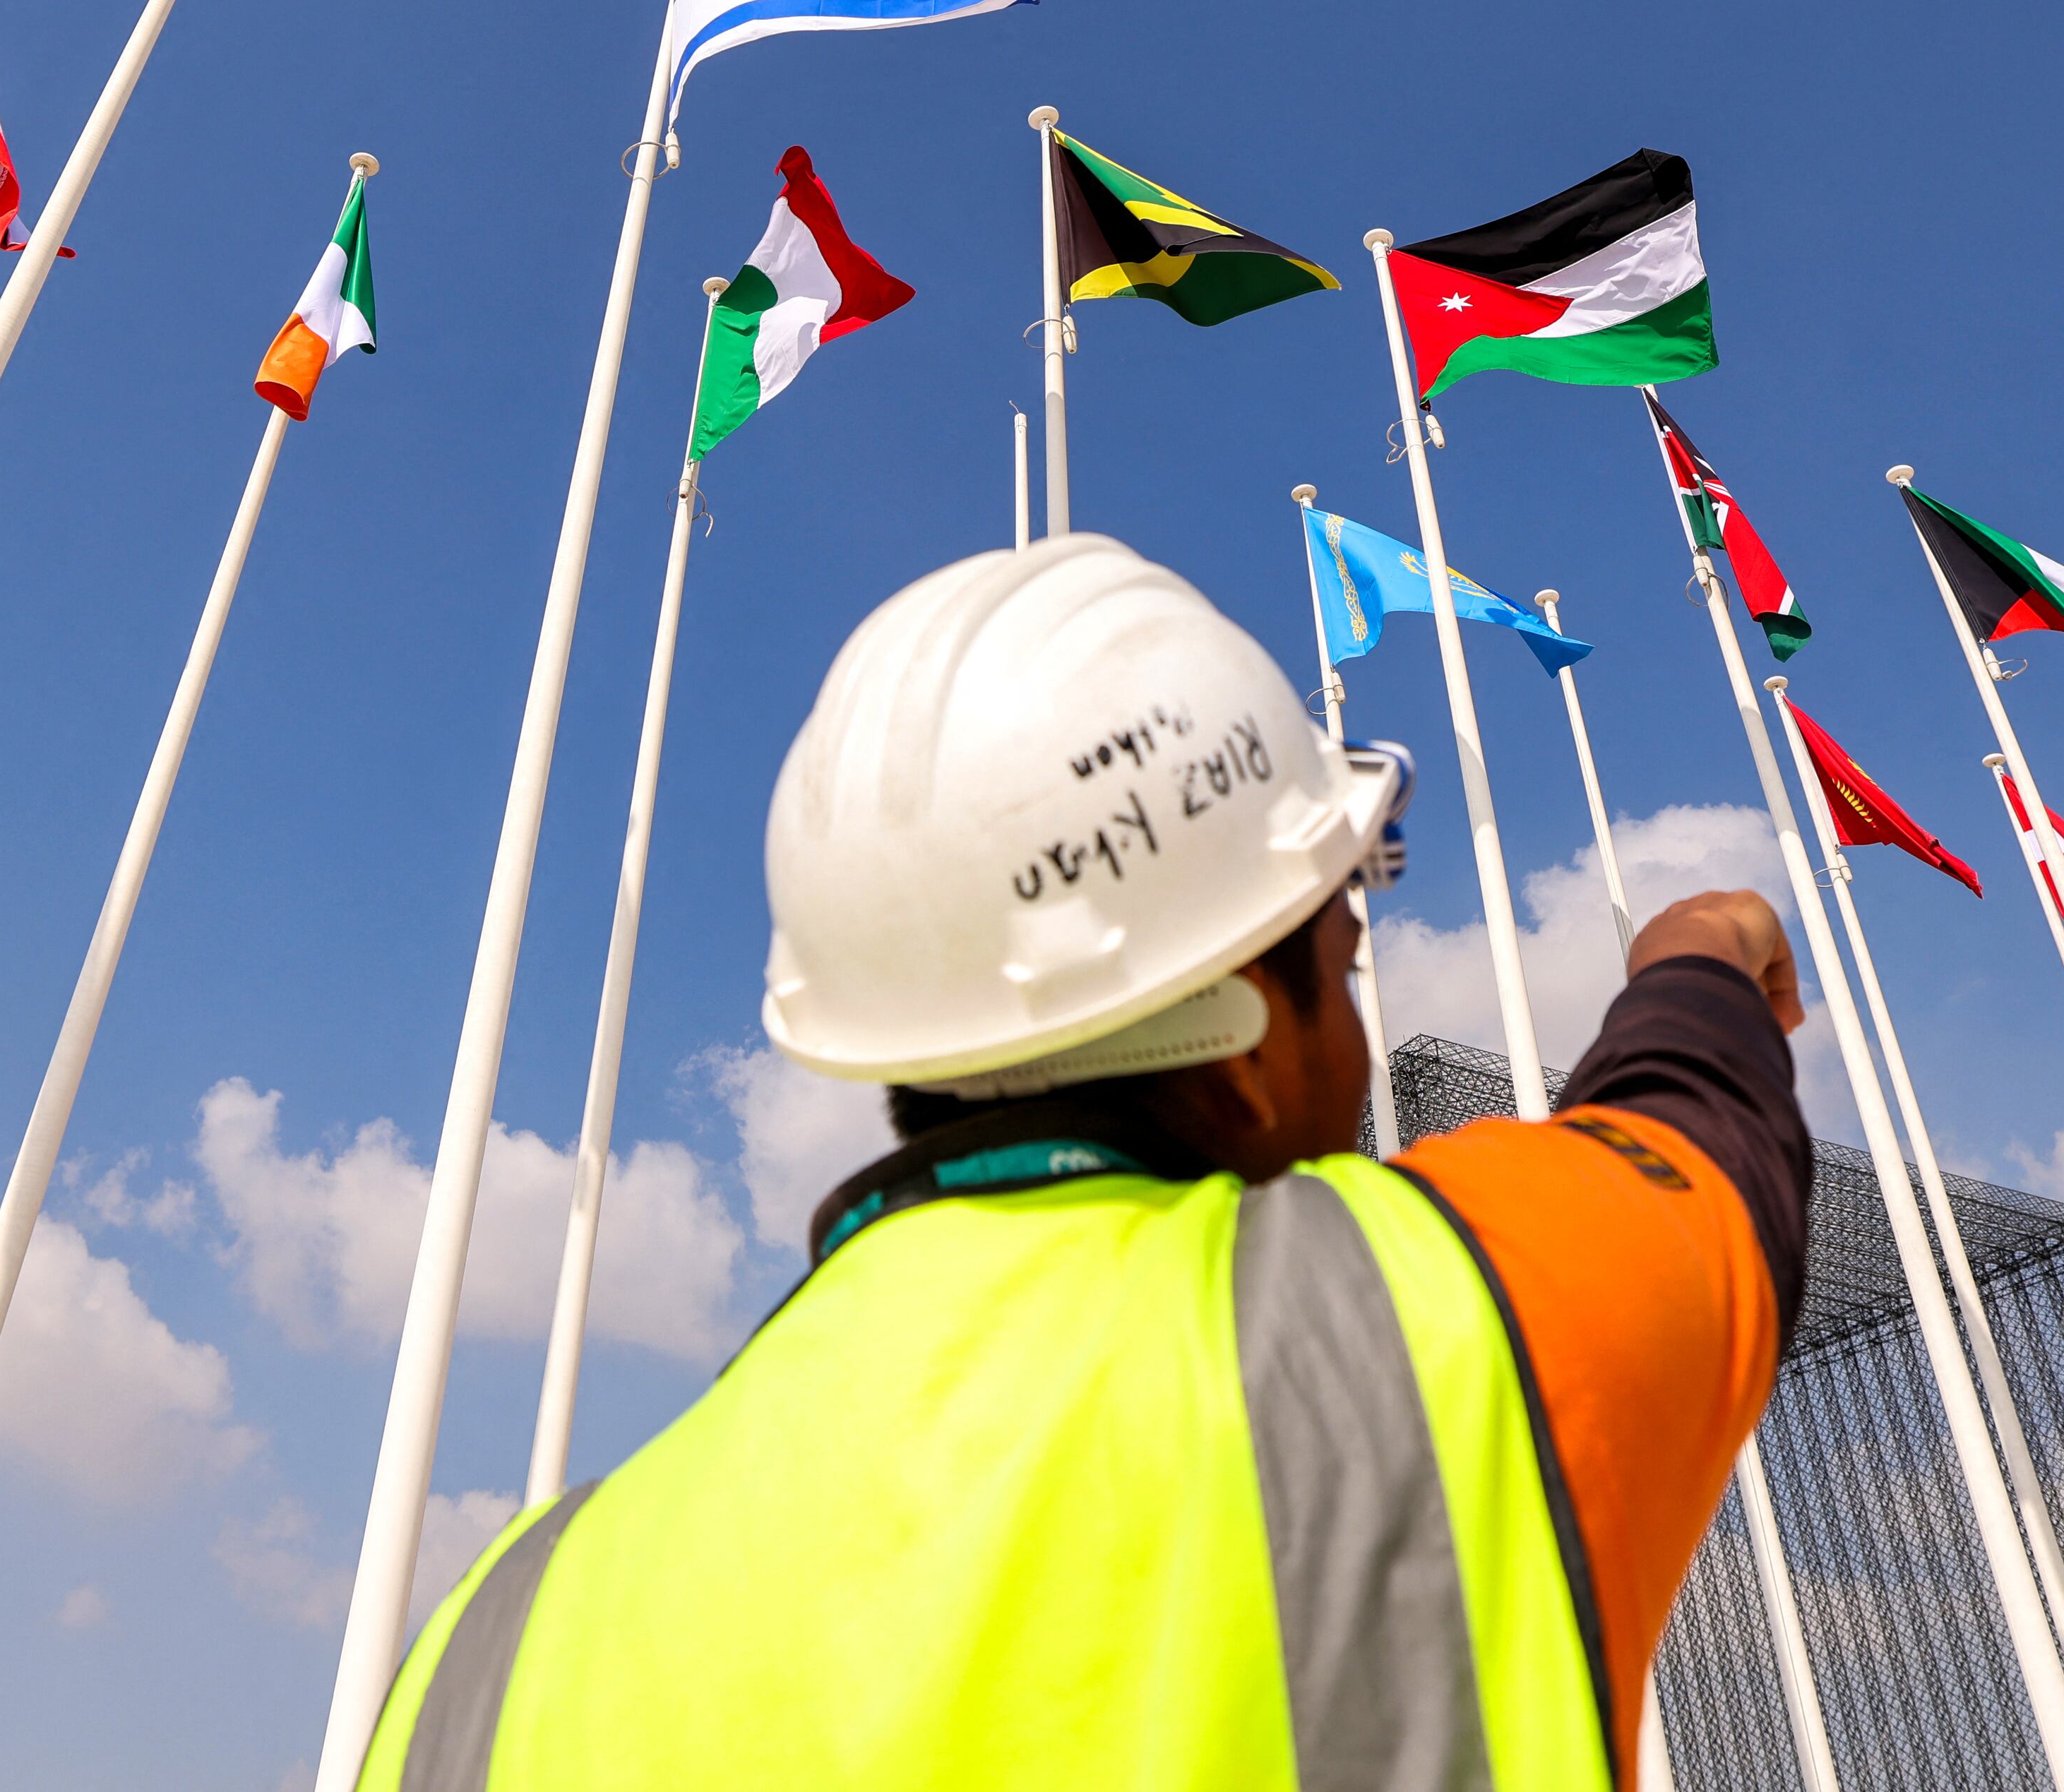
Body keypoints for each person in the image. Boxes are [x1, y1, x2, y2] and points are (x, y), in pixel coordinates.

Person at [358, 535, 1814, 1790]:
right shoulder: (1428, 1319)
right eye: (1342, 945)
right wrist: (1696, 942)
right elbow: (1706, 1122)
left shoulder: (481, 1654)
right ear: (1246, 1045)